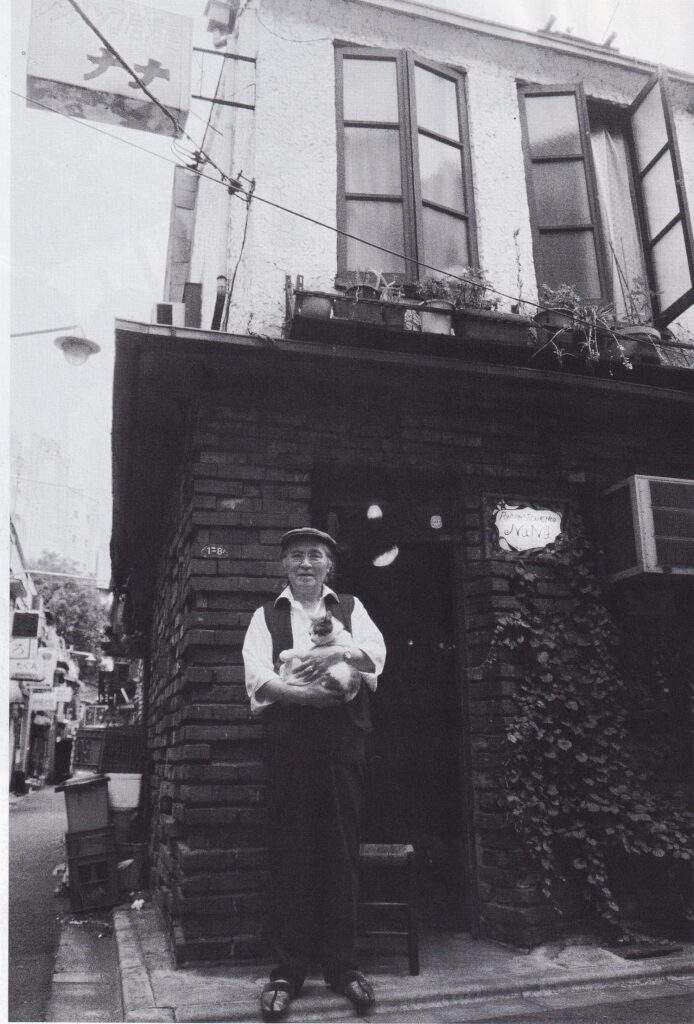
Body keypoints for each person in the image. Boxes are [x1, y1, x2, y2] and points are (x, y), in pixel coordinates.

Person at [242, 527, 386, 1021]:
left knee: (341, 853)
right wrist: (307, 697)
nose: (306, 563)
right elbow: (258, 680)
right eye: (297, 556)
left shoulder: (351, 608)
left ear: (329, 565)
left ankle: (343, 967)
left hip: (342, 748)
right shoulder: (265, 616)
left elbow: (374, 657)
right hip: (289, 750)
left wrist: (334, 656)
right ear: (284, 565)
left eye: (315, 555)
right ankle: (287, 971)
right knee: (291, 853)